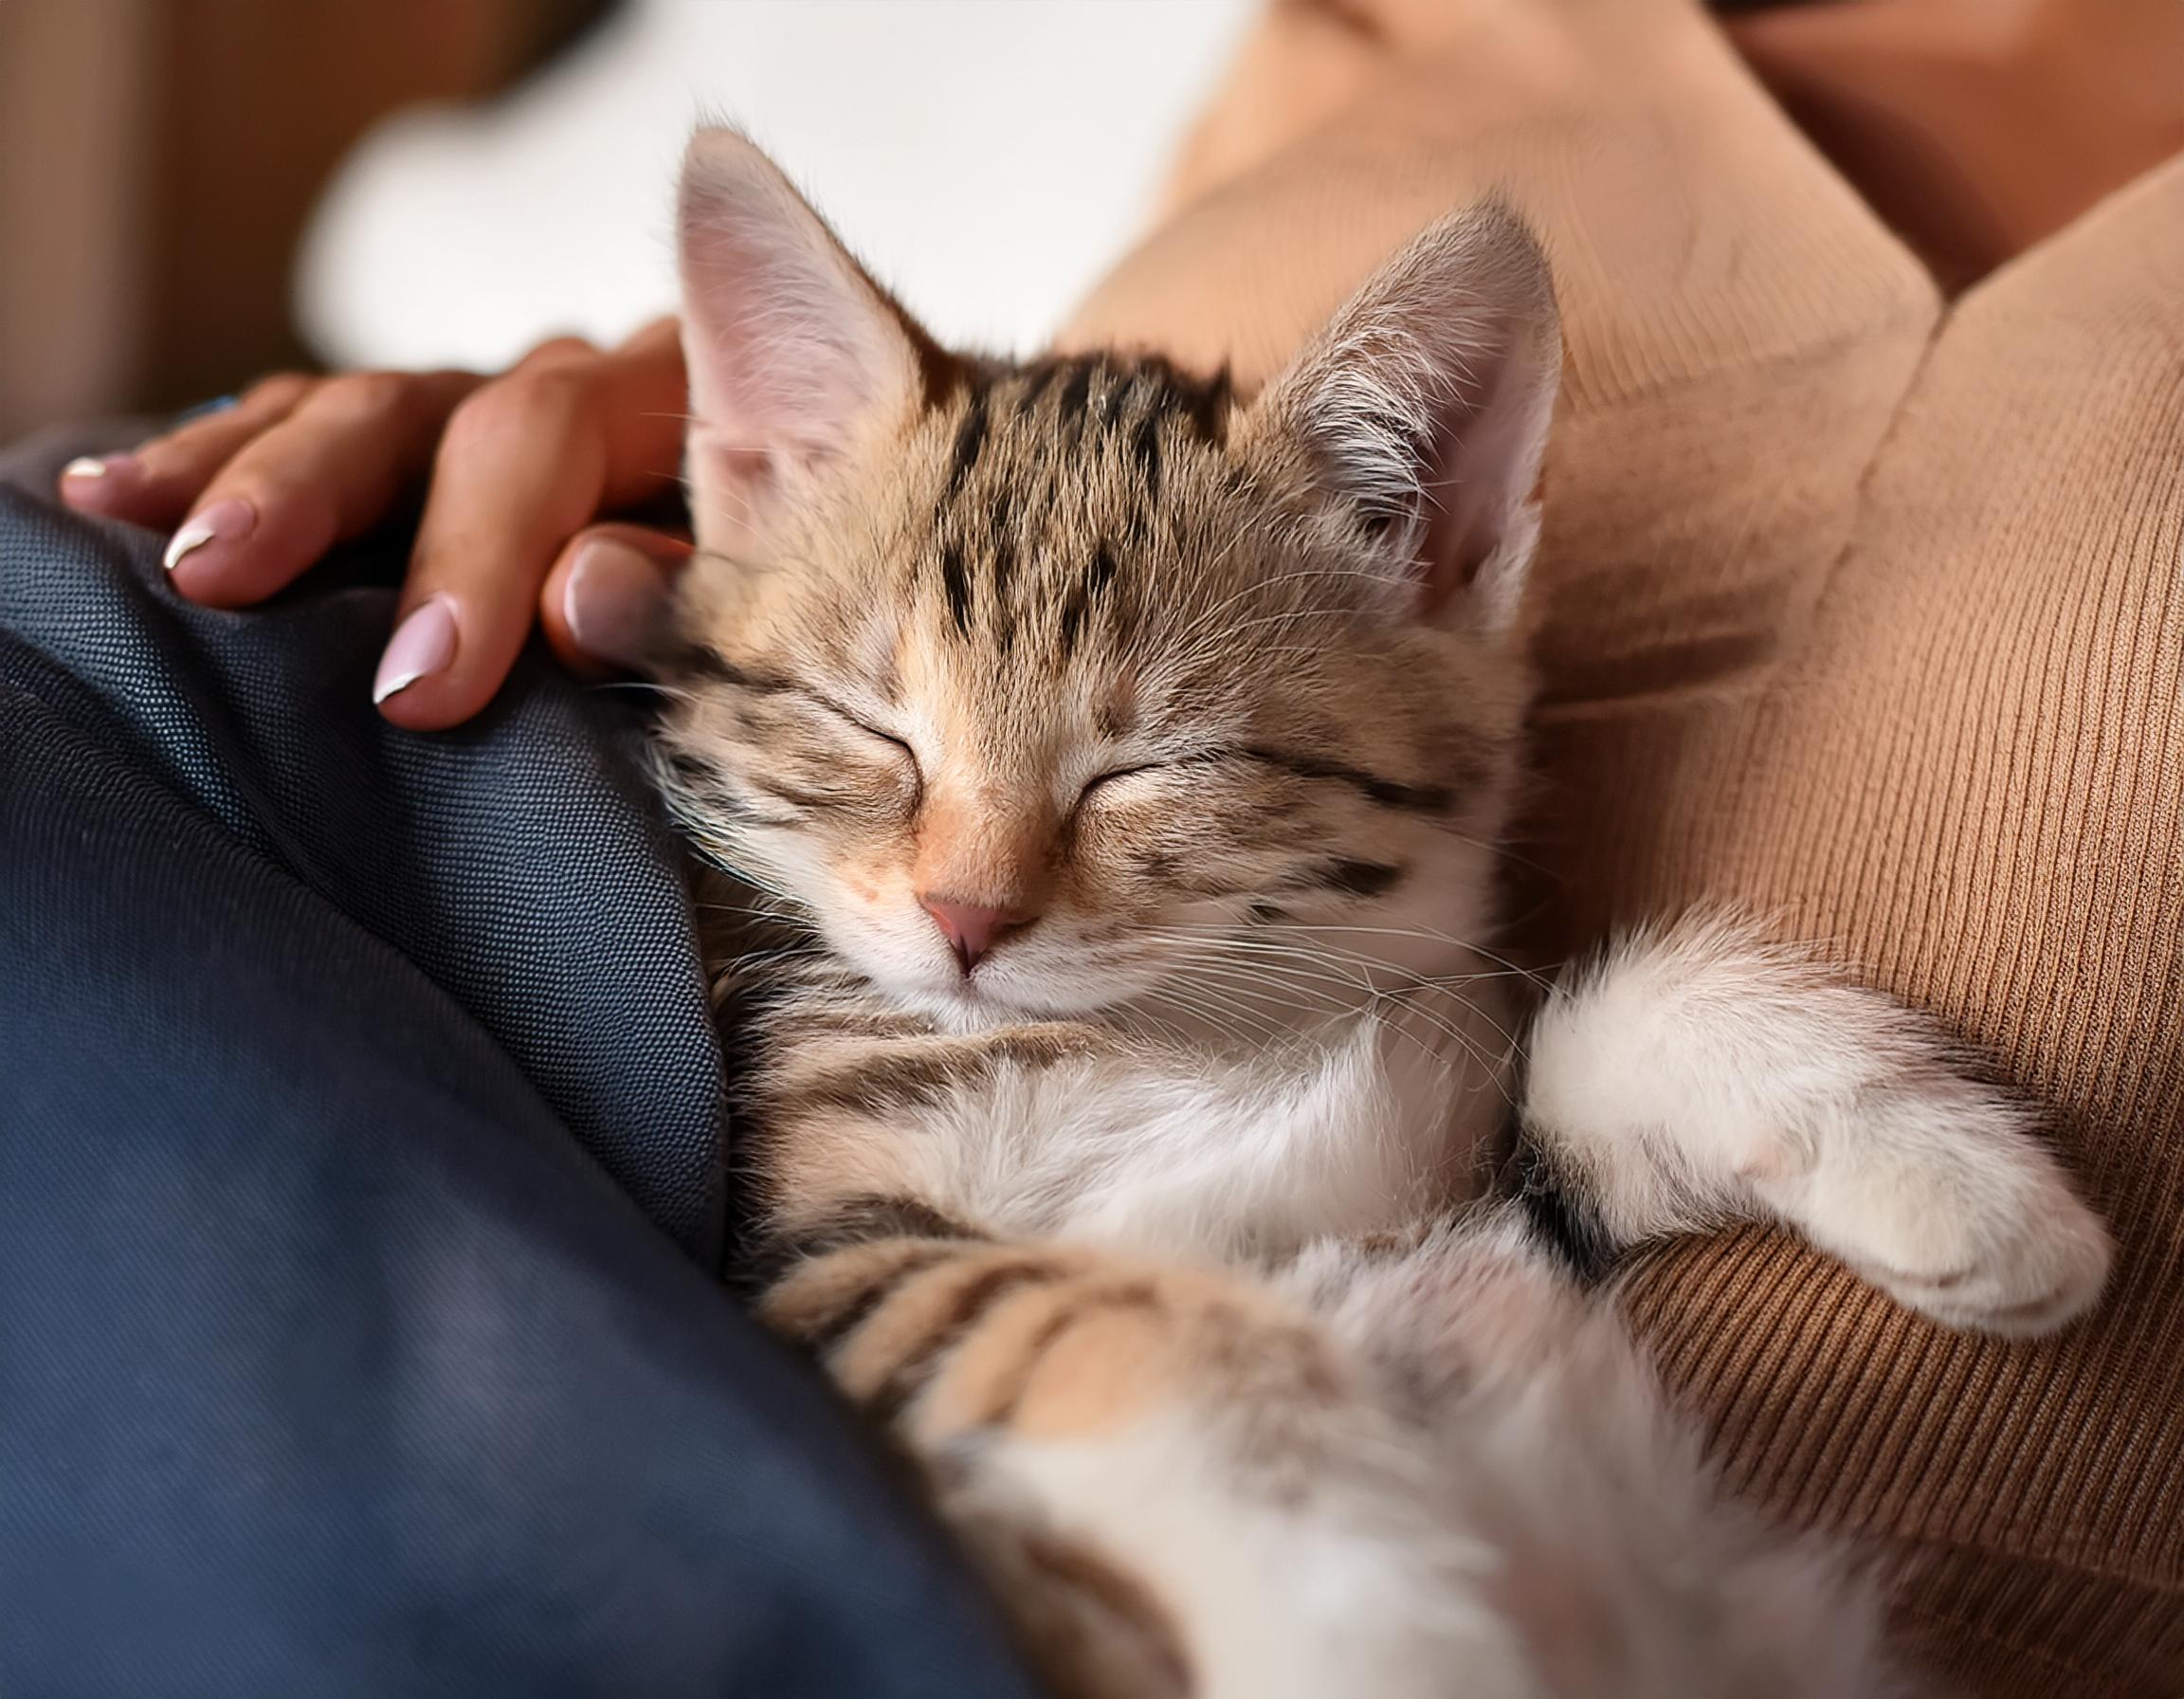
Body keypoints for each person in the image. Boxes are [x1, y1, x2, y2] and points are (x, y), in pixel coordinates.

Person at [17, 1, 2182, 1693]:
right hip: (299, 809)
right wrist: (707, 449)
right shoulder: (1359, 36)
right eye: (901, 760)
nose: (967, 896)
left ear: (1435, 543)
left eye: (1138, 784)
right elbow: (1014, 513)